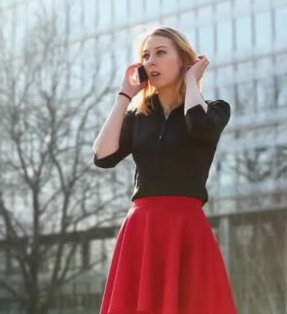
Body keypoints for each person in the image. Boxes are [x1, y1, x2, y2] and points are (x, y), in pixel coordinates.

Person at [92, 26, 237, 314]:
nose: (150, 61)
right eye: (146, 55)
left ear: (184, 60)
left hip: (186, 227)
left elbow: (199, 125)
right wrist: (124, 95)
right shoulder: (139, 116)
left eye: (160, 53)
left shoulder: (215, 109)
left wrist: (192, 81)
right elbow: (102, 155)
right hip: (142, 229)